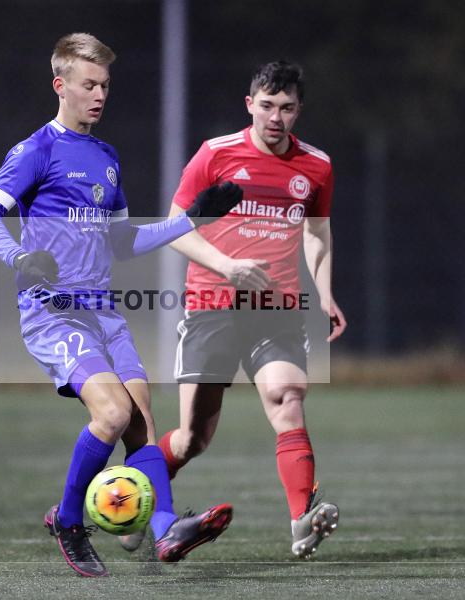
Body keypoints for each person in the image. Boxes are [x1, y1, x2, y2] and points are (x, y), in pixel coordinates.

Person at [0, 33, 240, 577]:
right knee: (112, 414)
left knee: (140, 423)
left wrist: (191, 222)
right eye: (88, 84)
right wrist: (23, 259)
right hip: (53, 309)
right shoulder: (36, 150)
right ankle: (69, 521)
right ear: (60, 85)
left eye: (105, 86)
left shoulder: (106, 157)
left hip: (104, 310)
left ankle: (166, 532)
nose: (98, 95)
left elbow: (122, 242)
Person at [125, 60, 347, 559]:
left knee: (287, 395)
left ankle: (302, 517)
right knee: (191, 440)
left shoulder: (317, 165)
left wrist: (325, 292)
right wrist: (227, 265)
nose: (276, 117)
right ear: (250, 104)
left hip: (277, 307)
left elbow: (316, 232)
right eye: (267, 106)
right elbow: (174, 227)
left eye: (287, 108)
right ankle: (128, 499)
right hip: (212, 305)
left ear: (298, 111)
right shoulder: (216, 154)